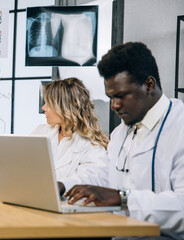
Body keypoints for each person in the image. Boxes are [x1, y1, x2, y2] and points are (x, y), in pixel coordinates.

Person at [65, 42, 184, 237]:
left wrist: (123, 198)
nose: (114, 106)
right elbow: (102, 176)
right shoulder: (121, 132)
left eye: (121, 96)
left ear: (149, 85)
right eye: (110, 97)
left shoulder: (180, 127)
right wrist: (62, 185)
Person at [0, 78, 109, 193]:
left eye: (48, 104)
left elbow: (91, 181)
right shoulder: (42, 131)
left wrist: (51, 185)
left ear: (65, 107)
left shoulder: (91, 145)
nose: (43, 108)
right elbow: (12, 166)